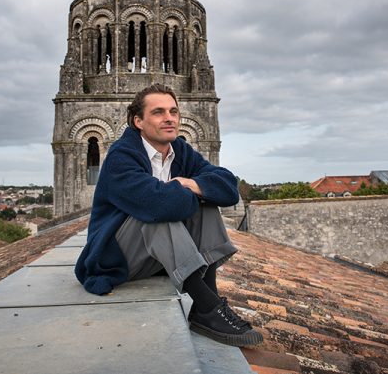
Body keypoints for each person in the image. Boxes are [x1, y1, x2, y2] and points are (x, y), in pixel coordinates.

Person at [75, 83, 263, 347]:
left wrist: (191, 184)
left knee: (206, 205)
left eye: (173, 112)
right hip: (114, 259)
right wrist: (193, 191)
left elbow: (229, 187)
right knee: (157, 214)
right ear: (138, 121)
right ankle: (208, 307)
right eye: (158, 112)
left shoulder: (180, 151)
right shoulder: (121, 156)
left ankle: (207, 306)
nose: (169, 118)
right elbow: (156, 205)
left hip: (154, 257)